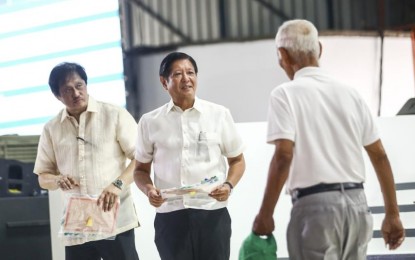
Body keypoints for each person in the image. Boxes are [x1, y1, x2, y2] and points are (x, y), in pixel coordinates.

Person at [252, 19, 405, 259]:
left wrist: (265, 214)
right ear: (319, 49)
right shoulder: (350, 94)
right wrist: (393, 214)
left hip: (315, 209)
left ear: (282, 54)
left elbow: (283, 156)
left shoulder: (284, 94)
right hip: (357, 207)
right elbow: (380, 155)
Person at [133, 52, 245, 260]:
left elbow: (237, 160)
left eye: (190, 72)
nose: (186, 78)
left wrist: (229, 185)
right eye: (177, 74)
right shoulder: (150, 122)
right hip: (170, 217)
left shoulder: (218, 114)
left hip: (212, 213)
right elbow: (140, 170)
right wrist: (148, 190)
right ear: (164, 82)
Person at [34, 62, 140, 260]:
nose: (76, 93)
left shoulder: (114, 115)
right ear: (57, 96)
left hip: (115, 219)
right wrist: (57, 180)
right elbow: (42, 177)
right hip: (78, 225)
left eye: (79, 85)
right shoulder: (51, 128)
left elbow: (140, 160)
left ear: (86, 84)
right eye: (67, 89)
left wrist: (117, 184)